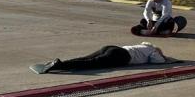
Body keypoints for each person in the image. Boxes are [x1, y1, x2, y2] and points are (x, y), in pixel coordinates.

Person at [29, 42, 175, 74]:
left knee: (85, 58)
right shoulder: (153, 51)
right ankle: (59, 66)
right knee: (91, 64)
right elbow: (159, 61)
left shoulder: (145, 45)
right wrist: (163, 56)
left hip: (113, 48)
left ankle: (60, 63)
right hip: (121, 56)